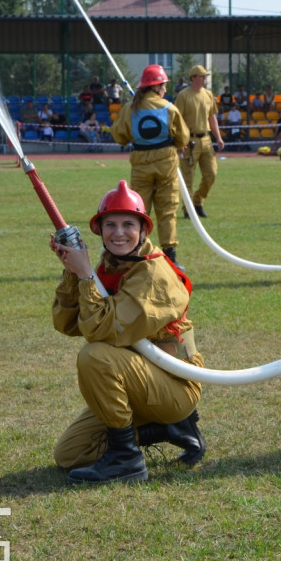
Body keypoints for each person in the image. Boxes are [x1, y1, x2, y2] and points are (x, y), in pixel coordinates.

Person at [51, 181, 206, 484]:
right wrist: (73, 273)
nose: (118, 232)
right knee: (70, 454)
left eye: (127, 224)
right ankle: (167, 428)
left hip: (175, 384)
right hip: (140, 380)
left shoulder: (153, 274)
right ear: (100, 230)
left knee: (95, 356)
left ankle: (127, 459)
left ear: (143, 231)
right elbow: (67, 324)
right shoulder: (113, 264)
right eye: (110, 224)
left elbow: (99, 331)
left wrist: (84, 275)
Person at [111, 64, 190, 268]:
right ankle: (170, 257)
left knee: (138, 211)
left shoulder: (130, 108)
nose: (165, 90)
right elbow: (182, 137)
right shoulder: (169, 108)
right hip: (166, 165)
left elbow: (119, 136)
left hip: (140, 165)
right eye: (163, 85)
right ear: (156, 87)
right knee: (168, 210)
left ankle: (135, 252)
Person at [175, 65, 225, 219]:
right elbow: (177, 120)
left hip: (206, 139)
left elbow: (212, 117)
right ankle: (188, 209)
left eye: (205, 76)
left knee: (211, 173)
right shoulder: (183, 95)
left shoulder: (208, 95)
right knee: (188, 176)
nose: (205, 79)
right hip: (189, 140)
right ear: (194, 77)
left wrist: (218, 137)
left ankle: (198, 201)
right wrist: (180, 140)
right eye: (202, 76)